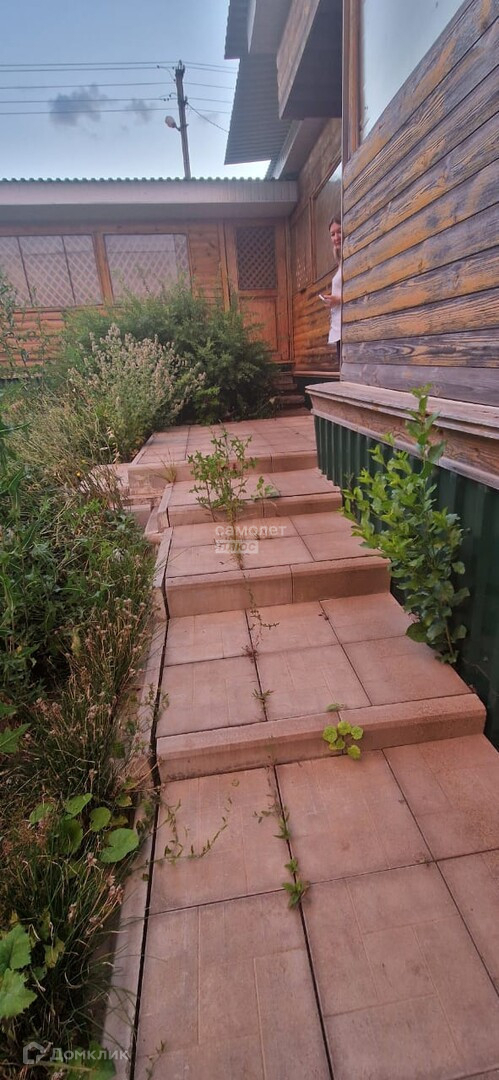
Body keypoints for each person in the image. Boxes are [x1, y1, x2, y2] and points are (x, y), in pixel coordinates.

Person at [322, 215, 342, 364]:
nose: (336, 237)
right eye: (332, 234)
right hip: (338, 327)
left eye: (339, 231)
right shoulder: (341, 263)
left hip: (348, 327)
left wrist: (338, 299)